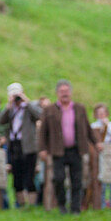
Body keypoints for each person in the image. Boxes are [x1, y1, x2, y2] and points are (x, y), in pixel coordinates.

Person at [38, 80, 92, 214]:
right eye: (62, 92)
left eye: (67, 91)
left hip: (76, 149)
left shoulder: (79, 108)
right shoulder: (49, 110)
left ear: (71, 93)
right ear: (57, 93)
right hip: (57, 150)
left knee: (77, 180)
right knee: (59, 178)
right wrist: (42, 149)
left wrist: (96, 143)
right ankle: (62, 205)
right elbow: (42, 132)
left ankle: (75, 208)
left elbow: (88, 127)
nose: (65, 94)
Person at [0, 82, 42, 208]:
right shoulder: (10, 109)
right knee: (17, 178)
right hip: (14, 146)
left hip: (28, 146)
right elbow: (0, 121)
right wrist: (8, 106)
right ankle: (21, 205)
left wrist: (26, 101)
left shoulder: (29, 107)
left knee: (30, 177)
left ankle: (31, 206)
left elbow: (40, 115)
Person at [90, 103, 111, 209]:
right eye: (99, 113)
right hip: (99, 156)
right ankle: (102, 204)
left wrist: (107, 125)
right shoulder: (93, 126)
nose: (101, 115)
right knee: (102, 182)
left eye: (103, 113)